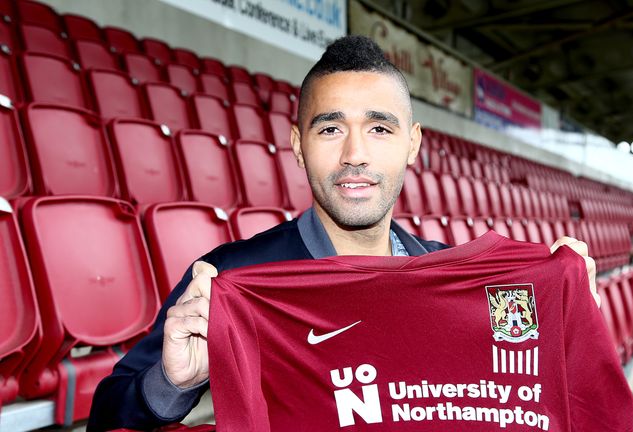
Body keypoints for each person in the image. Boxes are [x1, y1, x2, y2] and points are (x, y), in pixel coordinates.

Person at [87, 35, 597, 431]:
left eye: (379, 128)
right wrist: (173, 384)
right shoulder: (231, 278)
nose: (355, 153)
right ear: (298, 144)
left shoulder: (460, 282)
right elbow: (107, 418)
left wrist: (563, 311)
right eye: (330, 129)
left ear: (412, 144)